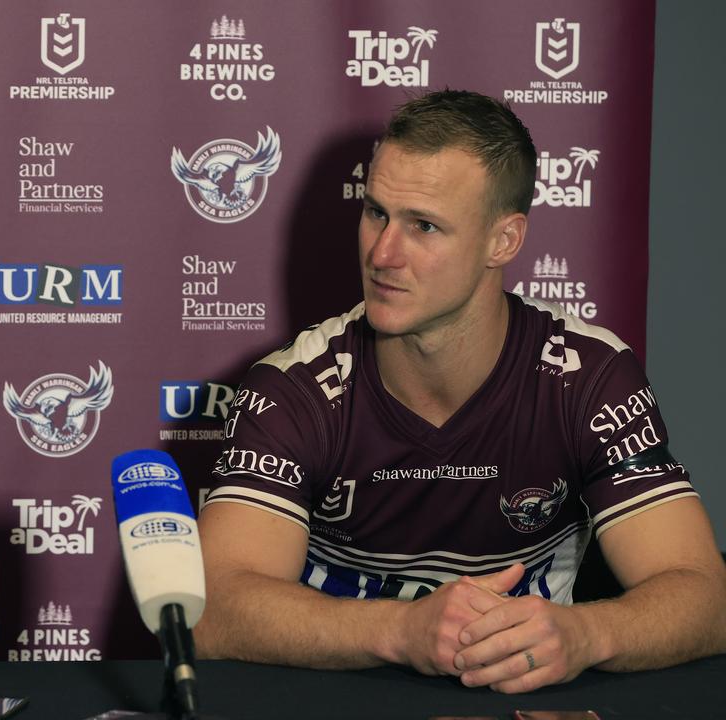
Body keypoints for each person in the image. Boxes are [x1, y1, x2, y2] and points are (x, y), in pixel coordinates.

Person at [195, 90, 726, 693]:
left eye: (424, 225)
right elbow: (211, 610)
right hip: (331, 700)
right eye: (376, 213)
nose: (383, 253)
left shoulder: (589, 379)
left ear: (503, 241)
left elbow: (704, 595)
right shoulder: (295, 389)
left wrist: (586, 635)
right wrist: (401, 630)